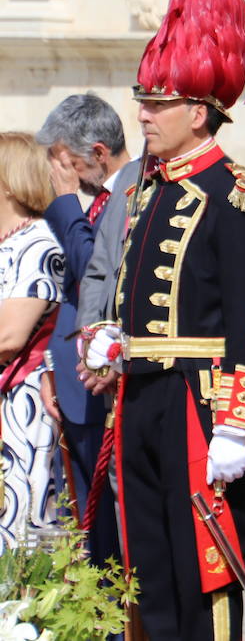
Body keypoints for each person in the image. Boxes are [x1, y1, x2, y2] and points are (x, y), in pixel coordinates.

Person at [81, 0, 245, 640]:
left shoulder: (236, 194)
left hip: (199, 407)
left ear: (197, 112)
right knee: (152, 576)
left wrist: (237, 423)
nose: (143, 114)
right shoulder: (148, 190)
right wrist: (110, 340)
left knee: (205, 579)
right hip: (138, 399)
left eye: (157, 103)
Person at [34, 93, 131, 559]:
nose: (59, 177)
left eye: (65, 164)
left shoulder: (132, 189)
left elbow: (96, 271)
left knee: (107, 533)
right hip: (76, 387)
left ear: (95, 153)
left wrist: (66, 203)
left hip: (103, 386)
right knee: (86, 534)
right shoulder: (95, 199)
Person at [0, 132, 65, 551]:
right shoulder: (9, 242)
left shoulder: (39, 243)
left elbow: (9, 335)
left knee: (21, 539)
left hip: (22, 412)